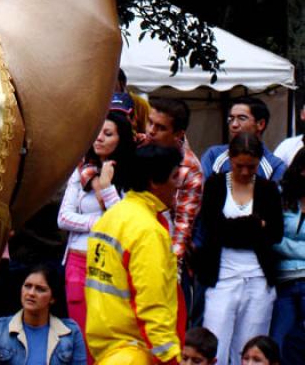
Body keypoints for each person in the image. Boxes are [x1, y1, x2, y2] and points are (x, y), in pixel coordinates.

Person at [85, 144, 183, 365]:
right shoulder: (148, 231)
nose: (178, 184)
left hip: (108, 353)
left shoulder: (110, 219)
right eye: (175, 176)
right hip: (135, 354)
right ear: (155, 182)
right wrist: (171, 359)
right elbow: (152, 306)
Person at [194, 133, 283, 365]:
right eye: (239, 166)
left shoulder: (267, 188)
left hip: (258, 277)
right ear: (229, 159)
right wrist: (255, 224)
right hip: (222, 275)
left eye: (251, 167)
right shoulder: (215, 184)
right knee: (216, 342)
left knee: (252, 346)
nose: (244, 172)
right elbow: (212, 228)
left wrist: (232, 228)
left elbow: (275, 233)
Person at [58, 111, 135, 361]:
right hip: (78, 261)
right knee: (80, 332)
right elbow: (63, 218)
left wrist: (107, 186)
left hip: (111, 264)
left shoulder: (132, 175)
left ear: (121, 140)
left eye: (108, 134)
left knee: (109, 331)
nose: (99, 138)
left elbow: (124, 221)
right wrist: (99, 223)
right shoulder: (81, 170)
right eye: (97, 132)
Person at [0, 265, 87, 365]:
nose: (31, 293)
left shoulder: (71, 332)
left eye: (40, 289)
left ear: (52, 298)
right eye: (27, 286)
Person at [143, 97, 203, 271]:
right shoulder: (139, 144)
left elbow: (183, 225)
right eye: (150, 123)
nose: (151, 131)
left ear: (179, 134)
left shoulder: (191, 168)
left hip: (163, 253)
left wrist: (171, 266)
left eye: (160, 127)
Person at [269, 146, 305, 356]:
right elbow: (273, 239)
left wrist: (289, 246)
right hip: (285, 281)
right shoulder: (281, 196)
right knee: (278, 343)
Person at [200, 98, 285, 181]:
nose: (234, 124)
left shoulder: (275, 166)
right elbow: (203, 191)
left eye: (242, 118)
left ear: (260, 124)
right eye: (231, 119)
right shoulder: (213, 155)